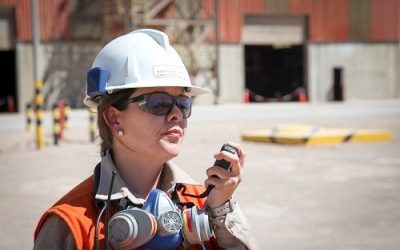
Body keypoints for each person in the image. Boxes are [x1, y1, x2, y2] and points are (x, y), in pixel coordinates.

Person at [34, 29, 258, 250]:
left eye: (183, 102)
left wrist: (222, 213)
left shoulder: (204, 204)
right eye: (158, 102)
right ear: (114, 118)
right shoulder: (72, 224)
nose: (176, 114)